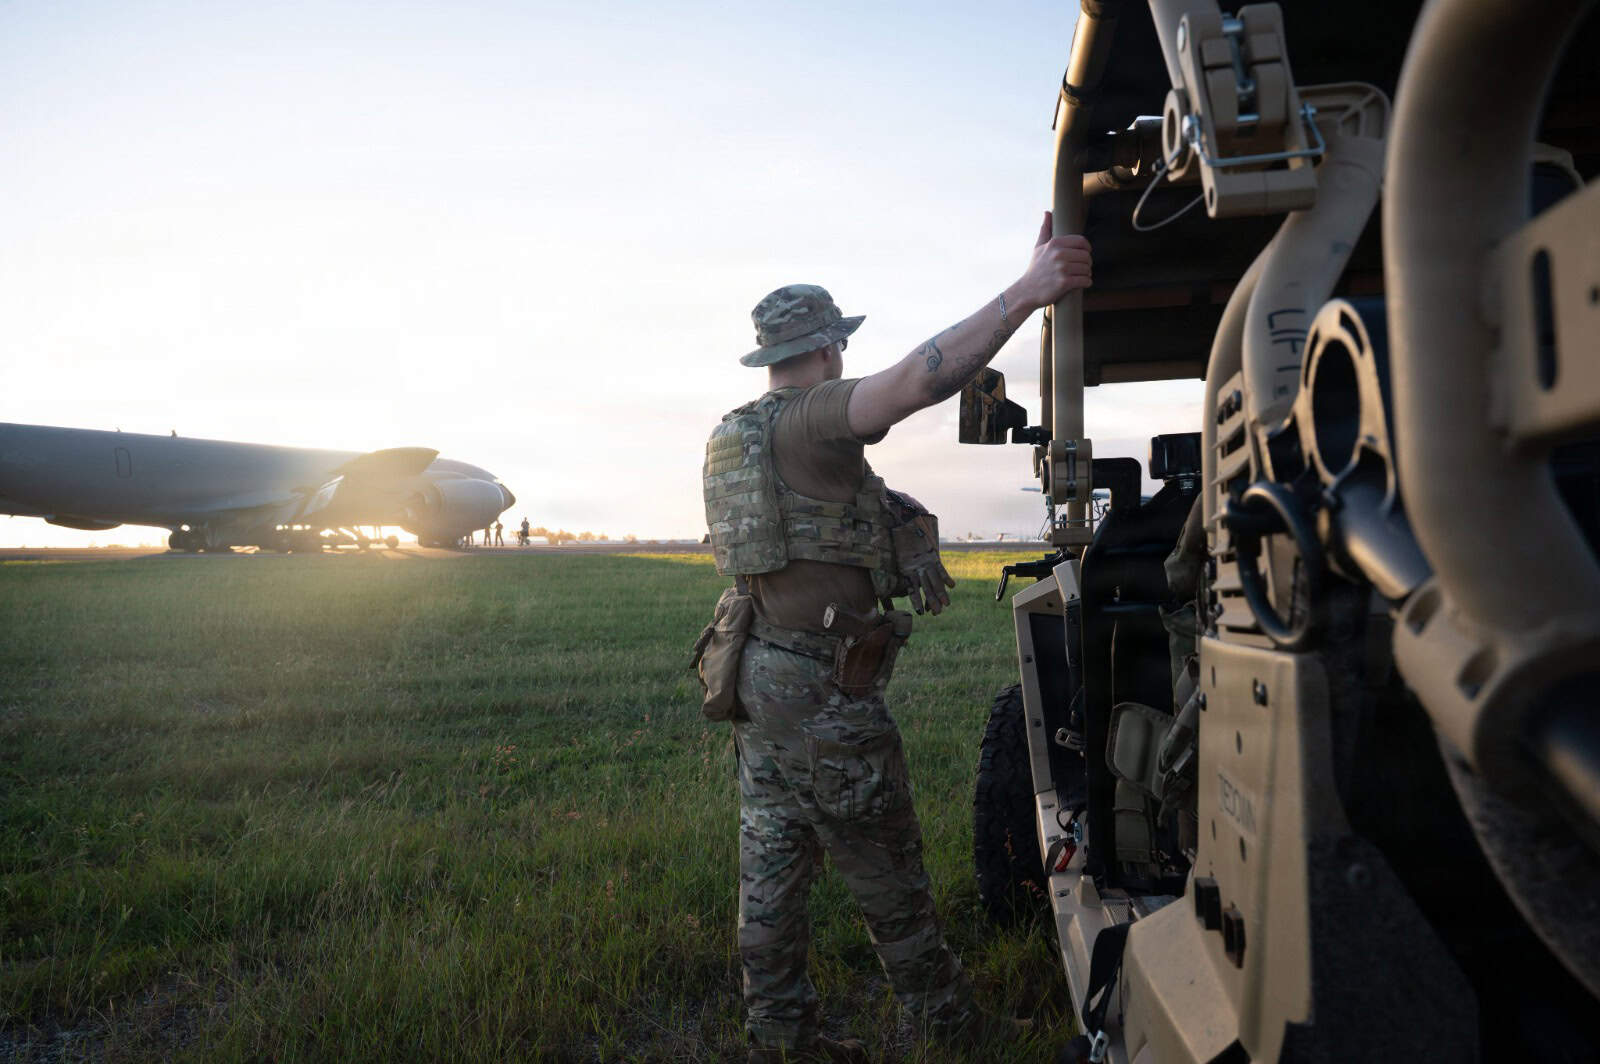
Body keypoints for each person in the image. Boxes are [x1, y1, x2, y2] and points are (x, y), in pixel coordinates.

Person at [702, 213, 1091, 1063]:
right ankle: (954, 1032)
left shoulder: (741, 431)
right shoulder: (814, 419)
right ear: (828, 349)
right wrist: (1024, 293)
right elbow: (915, 382)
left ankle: (780, 1037)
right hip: (822, 694)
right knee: (889, 872)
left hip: (758, 673)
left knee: (770, 869)